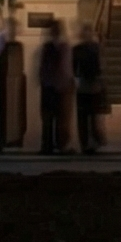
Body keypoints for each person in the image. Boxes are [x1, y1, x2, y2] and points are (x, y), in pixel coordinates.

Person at [35, 22, 73, 155]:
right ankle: (58, 144)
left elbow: (44, 67)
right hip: (58, 86)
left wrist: (43, 80)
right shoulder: (63, 47)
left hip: (51, 86)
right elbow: (65, 67)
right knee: (58, 118)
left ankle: (49, 145)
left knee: (50, 118)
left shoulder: (50, 47)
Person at [73, 24, 105, 155]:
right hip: (87, 84)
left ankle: (89, 142)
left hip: (89, 84)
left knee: (89, 116)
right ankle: (88, 142)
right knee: (87, 116)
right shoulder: (92, 48)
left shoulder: (85, 48)